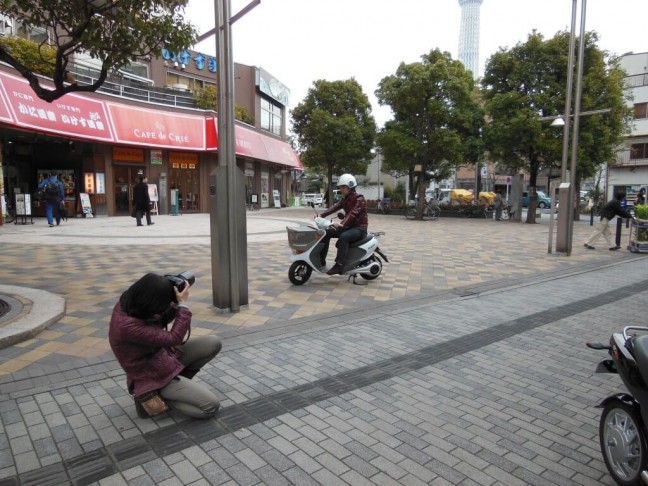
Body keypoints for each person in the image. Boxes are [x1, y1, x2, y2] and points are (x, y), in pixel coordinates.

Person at [109, 273, 222, 419]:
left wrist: (174, 304)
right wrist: (183, 306)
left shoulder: (135, 303)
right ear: (151, 301)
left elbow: (161, 320)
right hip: (151, 374)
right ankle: (159, 395)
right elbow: (174, 338)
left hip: (164, 356)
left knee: (212, 343)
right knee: (210, 406)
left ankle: (178, 386)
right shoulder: (127, 326)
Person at [318, 174, 368, 275]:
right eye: (340, 187)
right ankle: (321, 261)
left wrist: (342, 224)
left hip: (359, 228)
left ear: (350, 187)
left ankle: (339, 265)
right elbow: (335, 207)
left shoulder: (359, 198)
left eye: (343, 187)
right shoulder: (345, 198)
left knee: (343, 237)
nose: (341, 189)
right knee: (325, 233)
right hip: (348, 227)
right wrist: (322, 215)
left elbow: (353, 213)